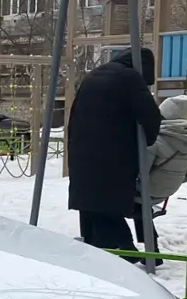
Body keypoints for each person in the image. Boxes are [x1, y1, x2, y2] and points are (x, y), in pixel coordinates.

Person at [67, 48, 162, 251]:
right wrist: (148, 139)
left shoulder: (94, 75)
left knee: (91, 204)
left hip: (82, 149)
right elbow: (150, 115)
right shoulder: (129, 77)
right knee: (108, 205)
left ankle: (96, 249)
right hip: (113, 153)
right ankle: (123, 250)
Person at [134, 95, 187, 249]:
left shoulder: (156, 140)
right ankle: (151, 249)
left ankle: (126, 248)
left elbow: (140, 172)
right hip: (167, 191)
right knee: (141, 209)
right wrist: (172, 179)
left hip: (146, 190)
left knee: (111, 205)